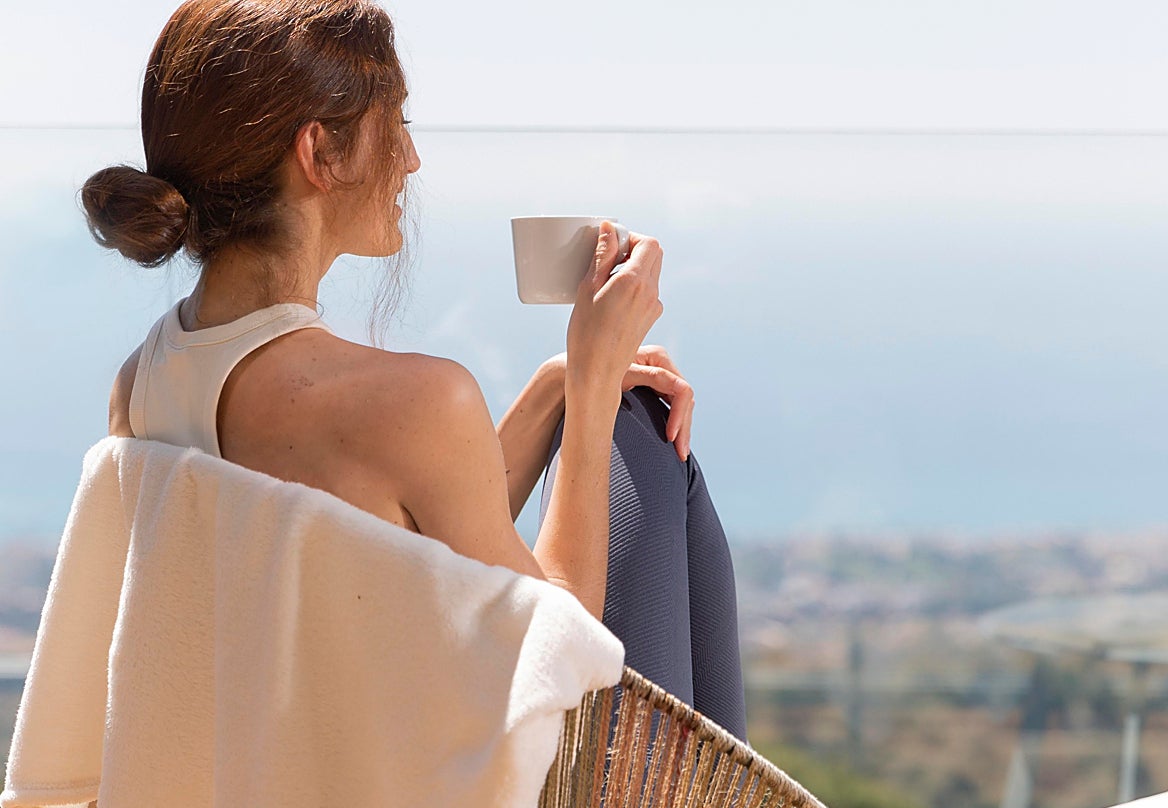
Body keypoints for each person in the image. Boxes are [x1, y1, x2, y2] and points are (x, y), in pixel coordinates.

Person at [88, 0, 745, 738]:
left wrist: (553, 387)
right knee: (649, 445)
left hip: (278, 785)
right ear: (320, 153)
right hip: (443, 799)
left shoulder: (139, 388)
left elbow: (384, 534)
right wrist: (594, 388)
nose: (411, 156)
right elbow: (560, 648)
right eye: (396, 121)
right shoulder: (406, 402)